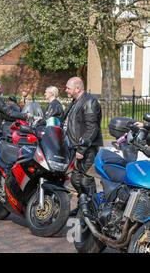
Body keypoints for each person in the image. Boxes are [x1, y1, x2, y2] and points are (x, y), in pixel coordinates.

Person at [62, 77, 103, 216]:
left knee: (86, 180)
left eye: (68, 87)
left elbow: (92, 128)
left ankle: (93, 211)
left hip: (87, 149)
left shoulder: (89, 102)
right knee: (75, 179)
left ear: (77, 88)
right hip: (75, 147)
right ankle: (83, 207)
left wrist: (82, 148)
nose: (66, 90)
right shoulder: (76, 101)